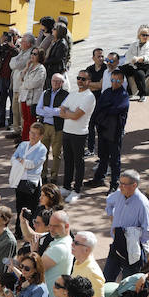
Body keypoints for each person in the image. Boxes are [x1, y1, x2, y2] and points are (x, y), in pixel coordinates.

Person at [104, 171, 149, 279]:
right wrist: (111, 216)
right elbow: (109, 201)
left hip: (132, 250)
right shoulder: (118, 194)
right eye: (120, 183)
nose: (120, 187)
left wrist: (131, 236)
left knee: (128, 285)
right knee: (106, 279)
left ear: (134, 185)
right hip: (117, 244)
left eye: (124, 184)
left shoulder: (143, 204)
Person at [90, 69, 130, 192]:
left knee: (114, 159)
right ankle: (99, 178)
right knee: (102, 155)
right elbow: (99, 107)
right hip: (103, 128)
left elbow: (117, 109)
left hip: (115, 130)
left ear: (122, 81)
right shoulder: (107, 92)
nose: (115, 83)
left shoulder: (123, 95)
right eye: (112, 80)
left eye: (118, 80)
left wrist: (105, 109)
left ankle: (114, 183)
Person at [58, 69, 95, 200]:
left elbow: (76, 115)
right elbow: (62, 110)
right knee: (68, 160)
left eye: (83, 79)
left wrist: (69, 114)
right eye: (79, 78)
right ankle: (67, 187)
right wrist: (70, 114)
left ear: (89, 81)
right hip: (67, 132)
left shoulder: (89, 97)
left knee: (78, 162)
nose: (80, 81)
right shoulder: (72, 94)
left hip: (79, 134)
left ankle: (77, 189)